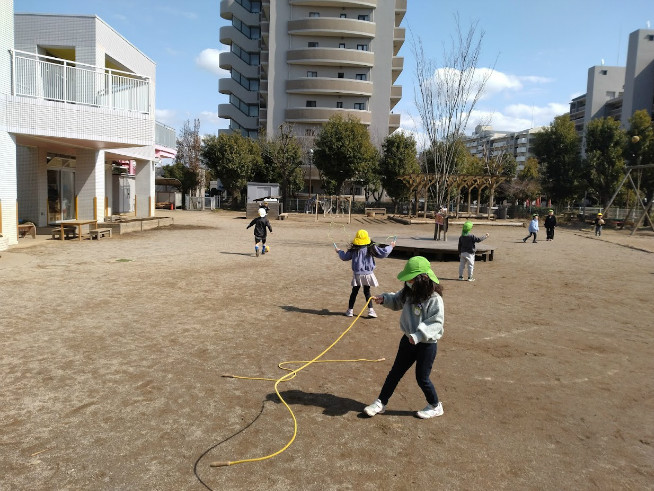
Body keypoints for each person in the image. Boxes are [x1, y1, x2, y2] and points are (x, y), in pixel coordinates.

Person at [363, 256, 444, 419]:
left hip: (426, 344)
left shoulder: (435, 299)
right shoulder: (409, 292)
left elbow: (436, 322)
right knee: (395, 373)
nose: (408, 282)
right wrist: (384, 299)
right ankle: (381, 402)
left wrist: (419, 335)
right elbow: (397, 300)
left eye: (411, 279)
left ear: (423, 279)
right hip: (408, 341)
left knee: (422, 378)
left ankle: (435, 405)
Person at [336, 229, 395, 318]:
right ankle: (371, 310)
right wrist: (391, 246)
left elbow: (344, 257)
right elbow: (384, 253)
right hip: (368, 274)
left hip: (358, 274)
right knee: (367, 292)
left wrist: (339, 251)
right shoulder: (371, 247)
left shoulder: (354, 249)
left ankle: (350, 311)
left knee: (354, 292)